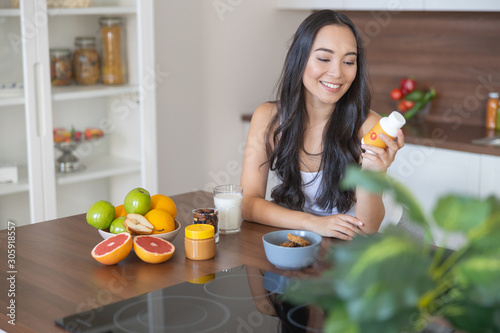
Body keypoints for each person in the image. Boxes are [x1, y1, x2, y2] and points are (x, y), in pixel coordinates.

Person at [240, 10, 404, 240]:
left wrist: (373, 172)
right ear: (300, 59)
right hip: (317, 236)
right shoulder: (268, 118)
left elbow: (367, 227)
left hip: (384, 239)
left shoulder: (369, 126)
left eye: (348, 61)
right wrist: (315, 224)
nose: (337, 73)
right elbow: (248, 204)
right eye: (324, 59)